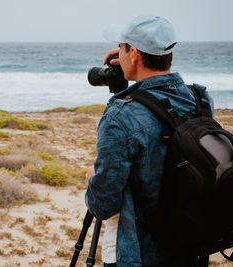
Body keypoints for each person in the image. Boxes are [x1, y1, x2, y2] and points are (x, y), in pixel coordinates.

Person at [85, 15, 214, 266]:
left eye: (122, 47)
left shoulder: (121, 115)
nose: (118, 52)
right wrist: (129, 66)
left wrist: (94, 178)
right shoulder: (200, 99)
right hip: (190, 244)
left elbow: (103, 205)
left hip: (139, 253)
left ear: (134, 52)